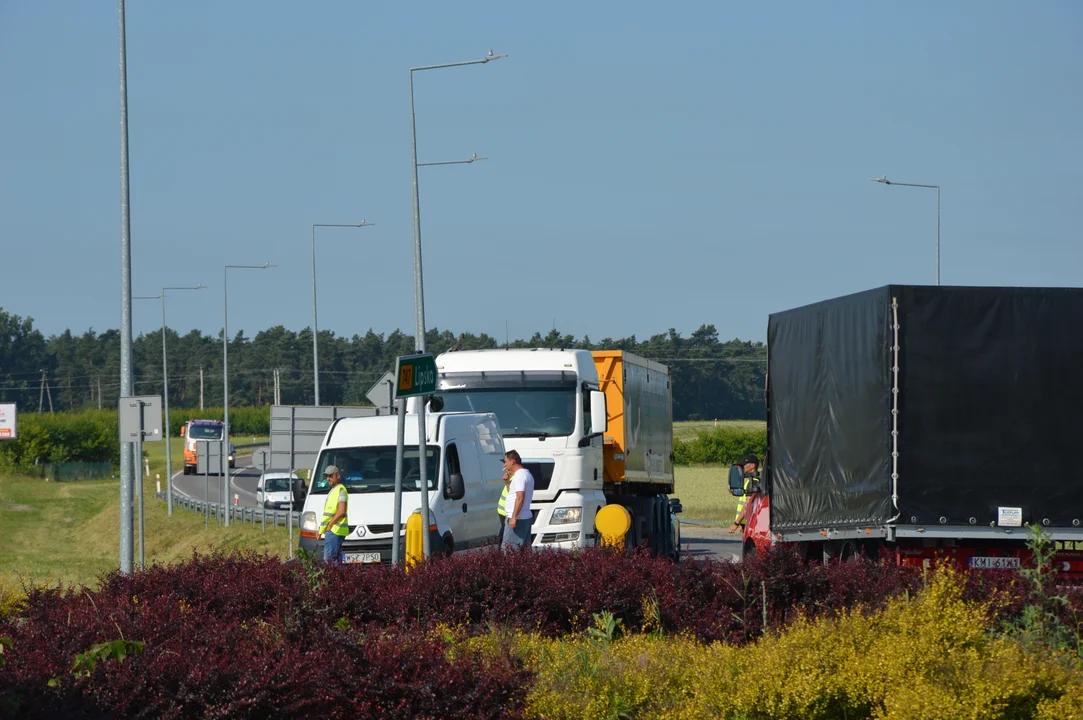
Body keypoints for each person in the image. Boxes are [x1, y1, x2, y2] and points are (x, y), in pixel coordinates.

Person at [502, 450, 534, 549]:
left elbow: (520, 497)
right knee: (523, 550)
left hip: (518, 518)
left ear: (512, 461)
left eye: (506, 461)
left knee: (508, 549)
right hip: (522, 517)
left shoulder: (520, 475)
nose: (505, 465)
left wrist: (514, 517)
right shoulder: (526, 474)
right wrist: (507, 483)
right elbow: (514, 494)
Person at [319, 465, 349, 563]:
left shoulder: (340, 490)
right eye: (327, 476)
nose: (328, 478)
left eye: (331, 476)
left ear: (338, 476)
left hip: (335, 529)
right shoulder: (334, 490)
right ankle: (339, 578)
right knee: (333, 559)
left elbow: (341, 510)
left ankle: (336, 578)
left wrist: (330, 525)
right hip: (332, 529)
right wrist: (321, 530)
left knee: (330, 559)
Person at [728, 454, 760, 534]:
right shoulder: (751, 481)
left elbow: (747, 504)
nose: (743, 467)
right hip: (747, 523)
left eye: (745, 465)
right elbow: (744, 497)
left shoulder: (753, 482)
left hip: (750, 523)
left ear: (752, 466)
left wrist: (736, 523)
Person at [497, 465, 510, 535]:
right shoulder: (509, 476)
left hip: (507, 513)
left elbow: (513, 495)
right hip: (503, 512)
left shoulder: (513, 477)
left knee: (505, 535)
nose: (504, 465)